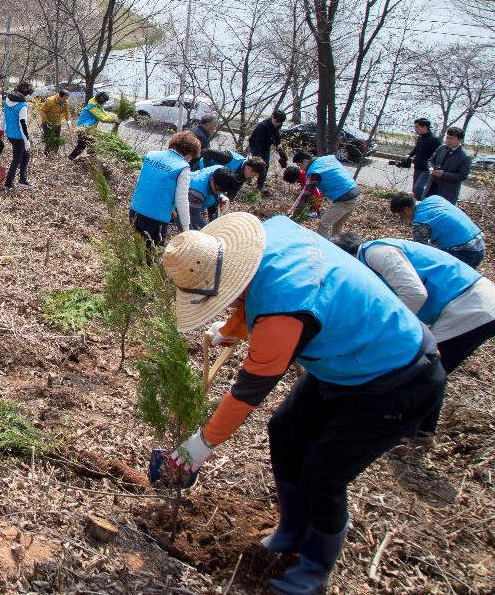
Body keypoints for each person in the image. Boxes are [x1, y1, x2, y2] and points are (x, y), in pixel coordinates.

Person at [162, 214, 443, 595]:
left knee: (323, 474)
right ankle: (292, 528)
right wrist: (231, 328)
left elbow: (248, 391)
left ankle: (315, 567)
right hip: (344, 363)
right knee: (285, 430)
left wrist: (199, 446)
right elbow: (257, 285)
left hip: (396, 377)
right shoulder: (273, 232)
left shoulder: (284, 312)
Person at [332, 232, 495, 444]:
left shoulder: (376, 252)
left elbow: (415, 294)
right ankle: (423, 433)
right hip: (472, 307)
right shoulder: (371, 258)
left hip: (469, 305)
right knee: (433, 369)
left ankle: (403, 435)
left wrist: (395, 330)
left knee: (418, 369)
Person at [128, 130, 201, 246]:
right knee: (151, 256)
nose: (191, 160)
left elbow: (141, 182)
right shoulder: (183, 168)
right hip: (157, 217)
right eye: (192, 157)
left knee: (135, 248)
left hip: (136, 209)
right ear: (189, 152)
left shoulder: (151, 155)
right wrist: (186, 227)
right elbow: (181, 200)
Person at [389, 192, 485, 268]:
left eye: (402, 216)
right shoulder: (435, 199)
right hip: (478, 242)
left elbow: (419, 251)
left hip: (465, 252)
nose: (405, 219)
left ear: (406, 210)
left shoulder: (420, 223)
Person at [290, 150, 360, 238]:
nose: (300, 169)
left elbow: (305, 196)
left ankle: (324, 250)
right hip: (355, 194)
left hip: (345, 200)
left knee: (323, 225)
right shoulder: (326, 159)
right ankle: (338, 248)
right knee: (337, 228)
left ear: (305, 161)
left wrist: (295, 216)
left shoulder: (313, 172)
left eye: (299, 165)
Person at [398, 118, 441, 201]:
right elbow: (416, 149)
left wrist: (433, 166)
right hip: (417, 168)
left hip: (426, 170)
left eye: (417, 127)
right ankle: (416, 207)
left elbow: (438, 155)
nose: (415, 129)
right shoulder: (420, 138)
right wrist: (409, 155)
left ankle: (425, 205)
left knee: (419, 189)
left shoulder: (434, 139)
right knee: (415, 190)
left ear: (424, 127)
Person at [187, 165, 243, 230]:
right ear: (212, 179)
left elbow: (218, 191)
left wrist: (221, 196)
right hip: (184, 203)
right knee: (190, 230)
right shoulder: (197, 192)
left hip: (197, 198)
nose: (218, 193)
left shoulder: (221, 170)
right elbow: (194, 214)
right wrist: (209, 228)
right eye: (217, 190)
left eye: (222, 191)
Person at [425, 126, 470, 204]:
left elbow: (463, 176)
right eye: (447, 137)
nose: (448, 141)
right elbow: (430, 161)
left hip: (447, 192)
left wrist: (444, 174)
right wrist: (431, 169)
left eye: (452, 138)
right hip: (431, 186)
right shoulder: (441, 148)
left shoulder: (465, 156)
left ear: (460, 140)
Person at [3, 81, 35, 190]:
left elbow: (4, 117)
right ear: (26, 94)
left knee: (26, 156)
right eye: (29, 95)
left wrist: (2, 131)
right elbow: (23, 124)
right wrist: (26, 141)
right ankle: (8, 183)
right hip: (19, 137)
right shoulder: (22, 106)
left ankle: (23, 179)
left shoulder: (8, 100)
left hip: (10, 134)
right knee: (17, 159)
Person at [67, 91, 116, 160]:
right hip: (83, 129)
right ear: (101, 100)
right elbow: (103, 118)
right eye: (105, 101)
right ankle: (69, 159)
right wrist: (114, 120)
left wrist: (114, 116)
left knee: (92, 145)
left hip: (89, 129)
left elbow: (105, 114)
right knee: (81, 146)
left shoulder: (98, 106)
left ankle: (91, 159)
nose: (105, 103)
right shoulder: (92, 107)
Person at [247, 109, 288, 190]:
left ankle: (260, 186)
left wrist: (282, 154)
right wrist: (258, 157)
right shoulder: (263, 126)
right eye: (276, 121)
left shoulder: (278, 124)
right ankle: (247, 178)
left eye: (280, 122)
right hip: (255, 145)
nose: (278, 124)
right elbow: (258, 142)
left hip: (266, 146)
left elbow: (277, 138)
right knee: (257, 164)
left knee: (265, 166)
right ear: (272, 116)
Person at [37, 89, 71, 155]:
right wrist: (45, 121)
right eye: (64, 98)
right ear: (60, 96)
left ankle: (55, 154)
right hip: (48, 123)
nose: (66, 100)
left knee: (57, 140)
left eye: (67, 98)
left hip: (58, 123)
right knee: (49, 140)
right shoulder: (50, 101)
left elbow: (67, 112)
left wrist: (68, 120)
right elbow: (42, 111)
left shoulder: (65, 102)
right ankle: (47, 154)